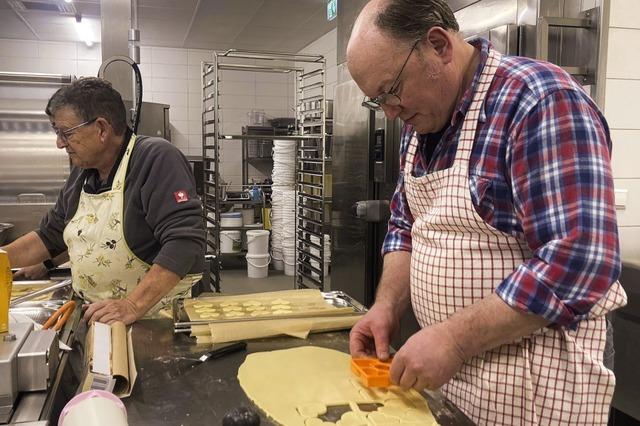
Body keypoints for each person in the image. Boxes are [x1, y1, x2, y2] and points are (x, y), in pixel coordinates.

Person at [346, 0, 626, 424]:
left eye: (391, 90)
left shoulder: (537, 101)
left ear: (438, 46)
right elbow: (406, 226)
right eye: (377, 101)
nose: (389, 111)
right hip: (452, 378)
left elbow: (580, 258)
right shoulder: (420, 124)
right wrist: (386, 305)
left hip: (533, 387)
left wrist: (455, 341)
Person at [2, 77, 205, 325]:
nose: (59, 143)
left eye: (65, 133)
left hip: (158, 320)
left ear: (101, 129)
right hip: (101, 316)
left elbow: (184, 242)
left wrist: (132, 305)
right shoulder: (83, 173)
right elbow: (48, 236)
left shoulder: (154, 158)